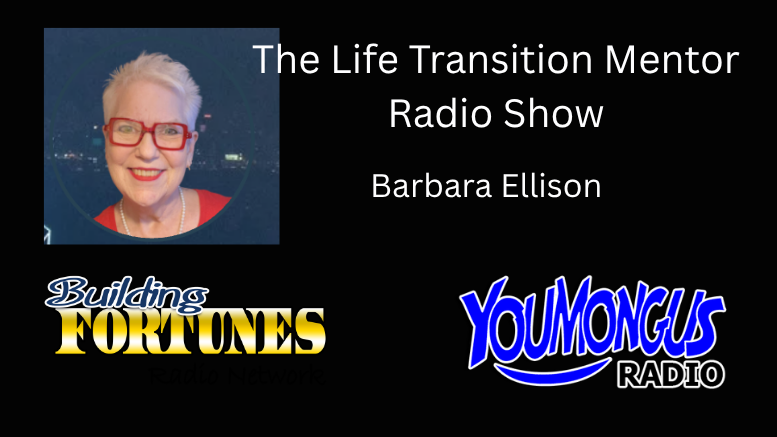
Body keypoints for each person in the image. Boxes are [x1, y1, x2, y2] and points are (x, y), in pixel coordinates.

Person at [94, 52, 230, 238]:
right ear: (107, 143)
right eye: (127, 129)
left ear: (190, 149)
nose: (147, 152)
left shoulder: (236, 218)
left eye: (169, 131)